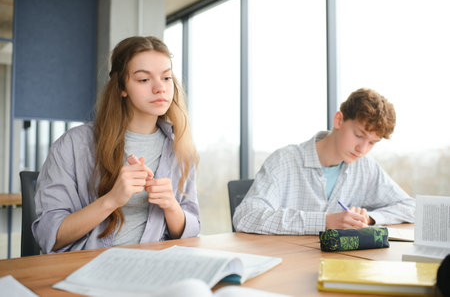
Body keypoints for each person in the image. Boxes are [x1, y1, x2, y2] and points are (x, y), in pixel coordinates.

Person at [33, 36, 200, 253]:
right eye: (143, 80)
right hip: (88, 268)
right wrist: (111, 200)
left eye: (166, 77)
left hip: (156, 267)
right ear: (122, 87)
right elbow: (49, 235)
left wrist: (171, 207)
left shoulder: (179, 147)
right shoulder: (72, 146)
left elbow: (192, 228)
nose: (160, 88)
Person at [233, 88, 415, 235]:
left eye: (372, 143)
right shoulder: (284, 161)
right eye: (359, 135)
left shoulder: (365, 167)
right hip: (288, 267)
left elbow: (411, 207)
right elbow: (246, 216)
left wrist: (370, 218)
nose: (362, 149)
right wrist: (324, 222)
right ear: (339, 120)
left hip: (339, 266)